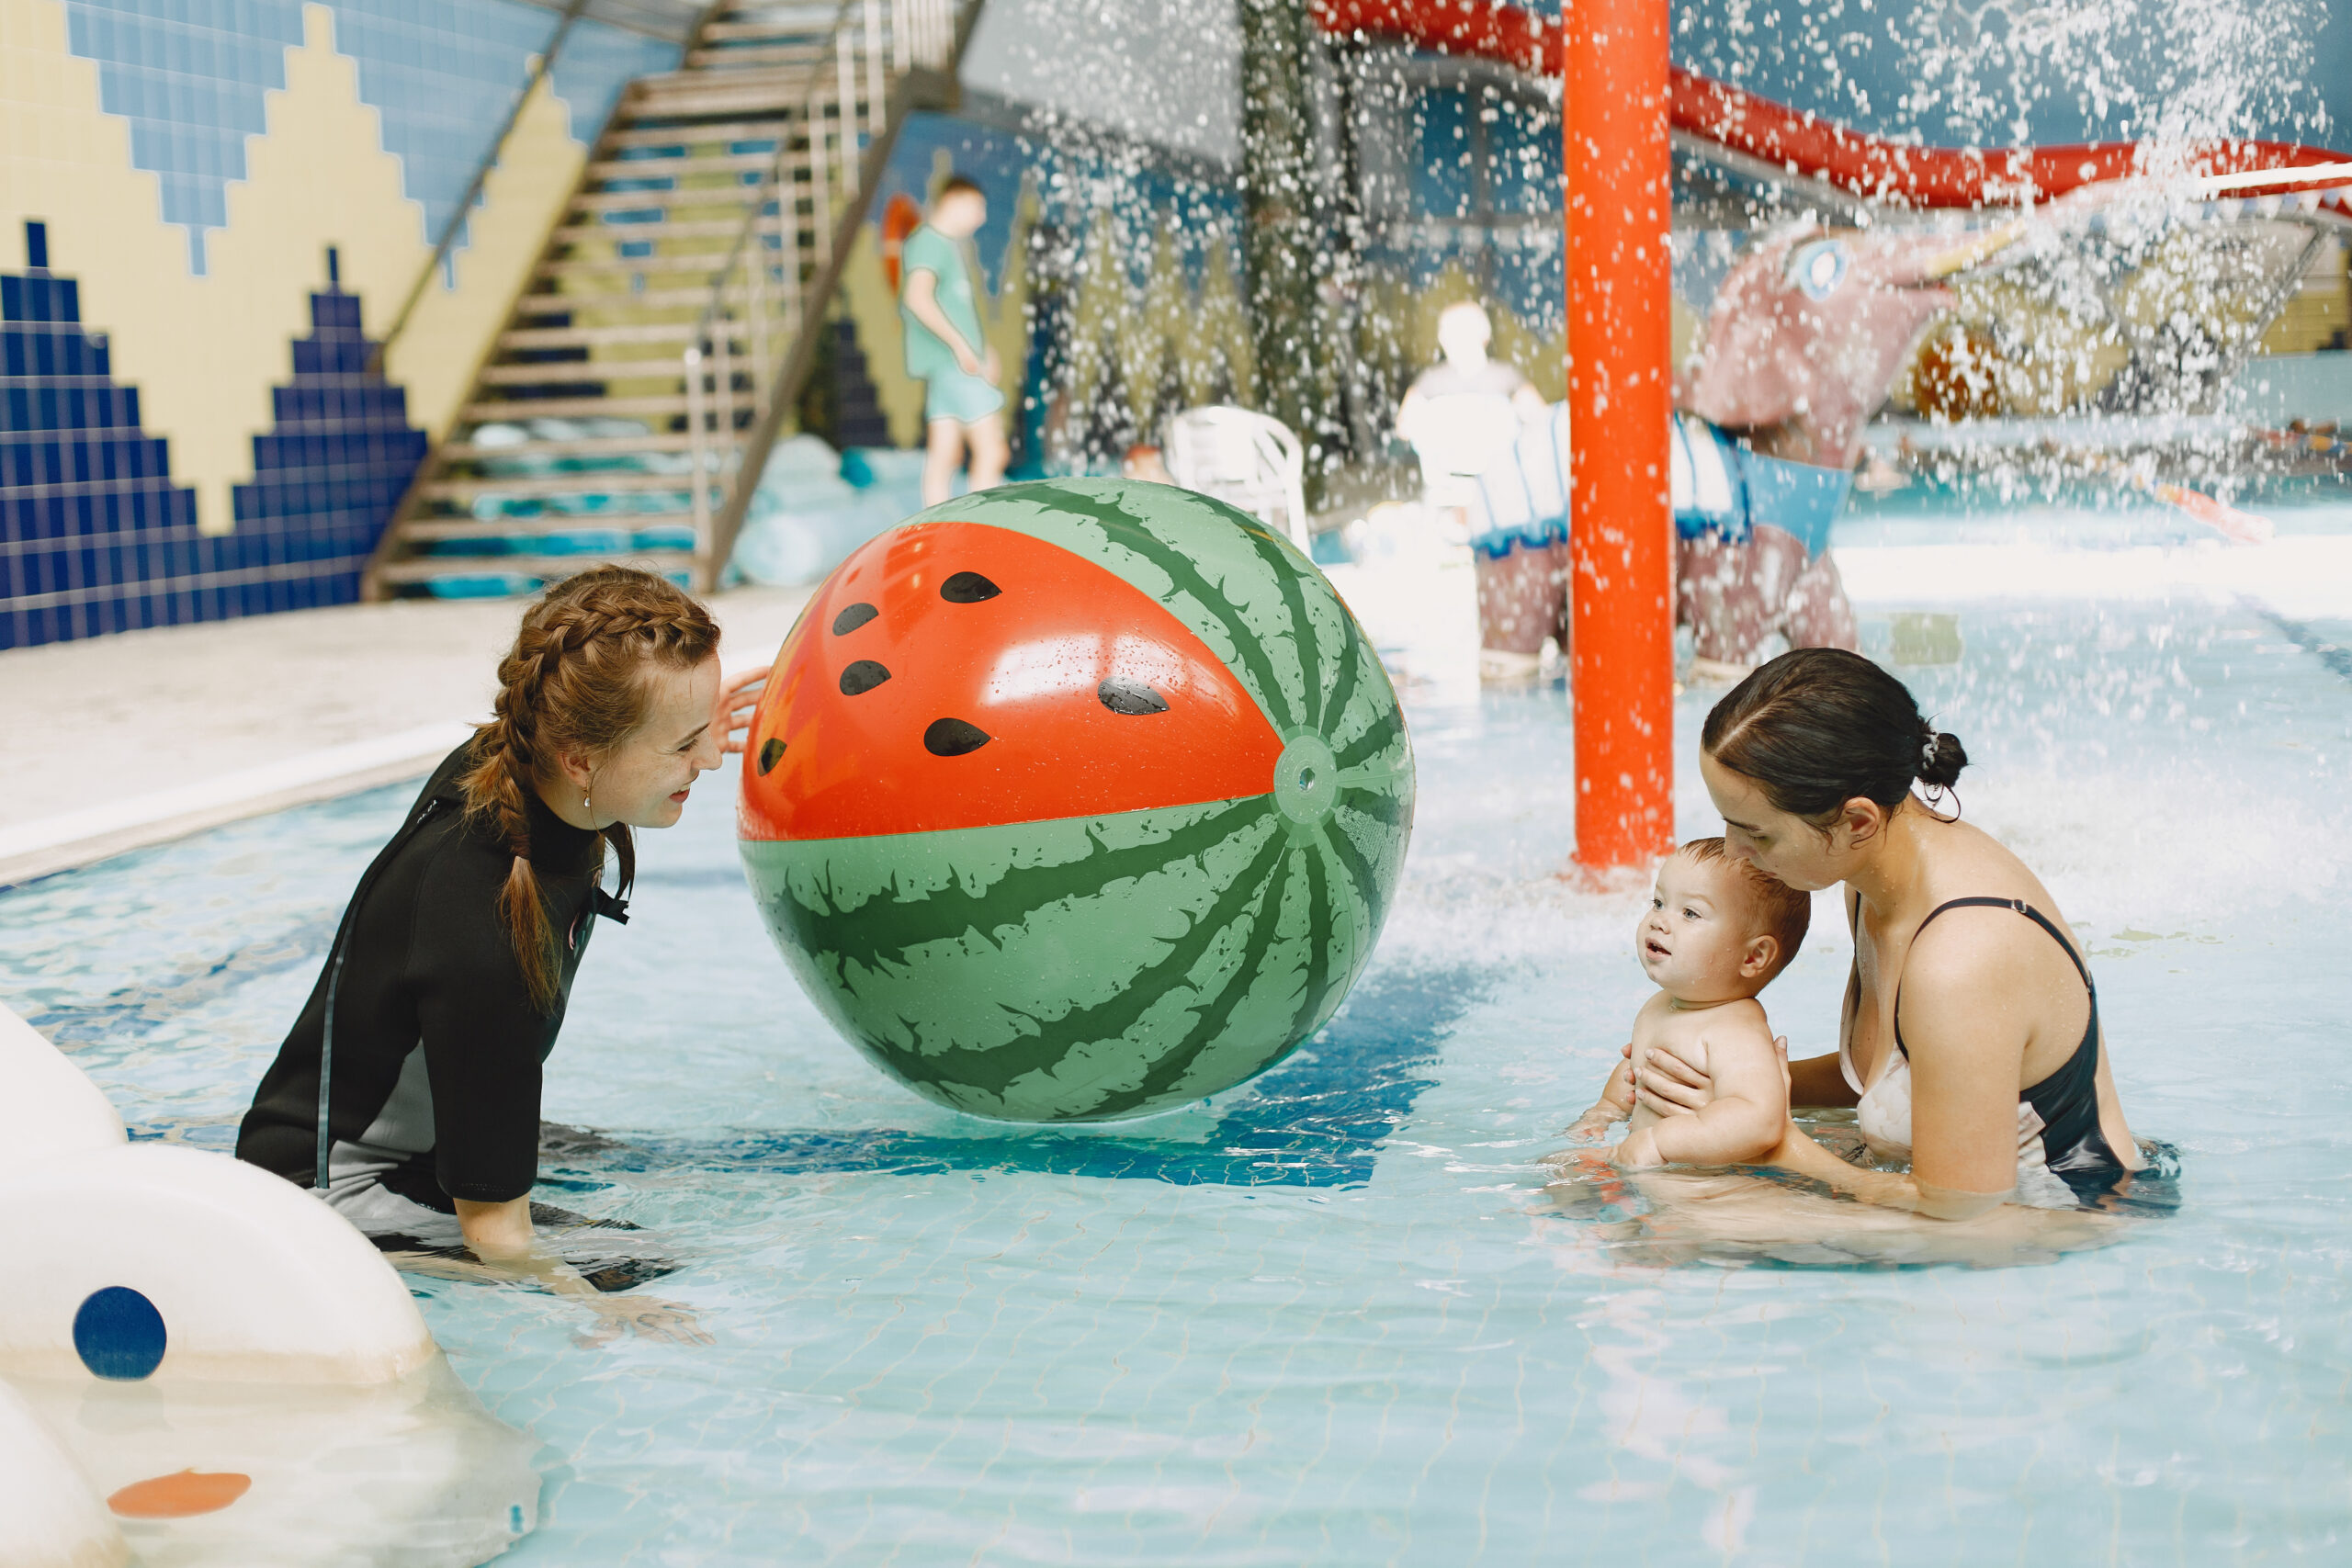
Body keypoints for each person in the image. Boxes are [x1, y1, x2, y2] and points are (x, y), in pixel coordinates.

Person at [236, 566, 769, 1343]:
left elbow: (580, 704)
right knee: (636, 1261)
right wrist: (597, 1307)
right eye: (687, 743)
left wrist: (674, 714)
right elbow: (499, 1235)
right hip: (330, 1189)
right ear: (582, 757)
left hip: (415, 1131)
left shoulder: (521, 756)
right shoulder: (485, 938)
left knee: (611, 1171)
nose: (714, 758)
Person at [1626, 648, 2155, 1217]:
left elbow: (1959, 1209)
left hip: (2053, 1221)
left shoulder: (1959, 959)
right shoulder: (1868, 875)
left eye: (1756, 833)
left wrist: (1779, 1144)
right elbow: (1896, 1081)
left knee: (1682, 1221)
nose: (1736, 853)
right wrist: (1729, 1088)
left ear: (1856, 822)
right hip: (1951, 1204)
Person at [1568, 838, 1810, 1168]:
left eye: (1690, 913)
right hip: (1653, 1171)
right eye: (1658, 902)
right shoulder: (1662, 1004)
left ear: (1753, 956)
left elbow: (1760, 1121)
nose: (1659, 921)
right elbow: (1637, 1071)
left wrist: (1658, 1143)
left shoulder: (1734, 1030)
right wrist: (1604, 1112)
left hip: (1712, 1192)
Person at [899, 175, 1008, 506]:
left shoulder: (942, 246)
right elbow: (917, 297)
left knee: (944, 455)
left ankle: (935, 533)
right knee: (993, 451)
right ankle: (981, 531)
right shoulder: (931, 242)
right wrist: (963, 349)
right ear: (956, 201)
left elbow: (956, 311)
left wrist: (982, 349)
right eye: (978, 208)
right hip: (954, 365)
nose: (982, 218)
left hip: (946, 367)